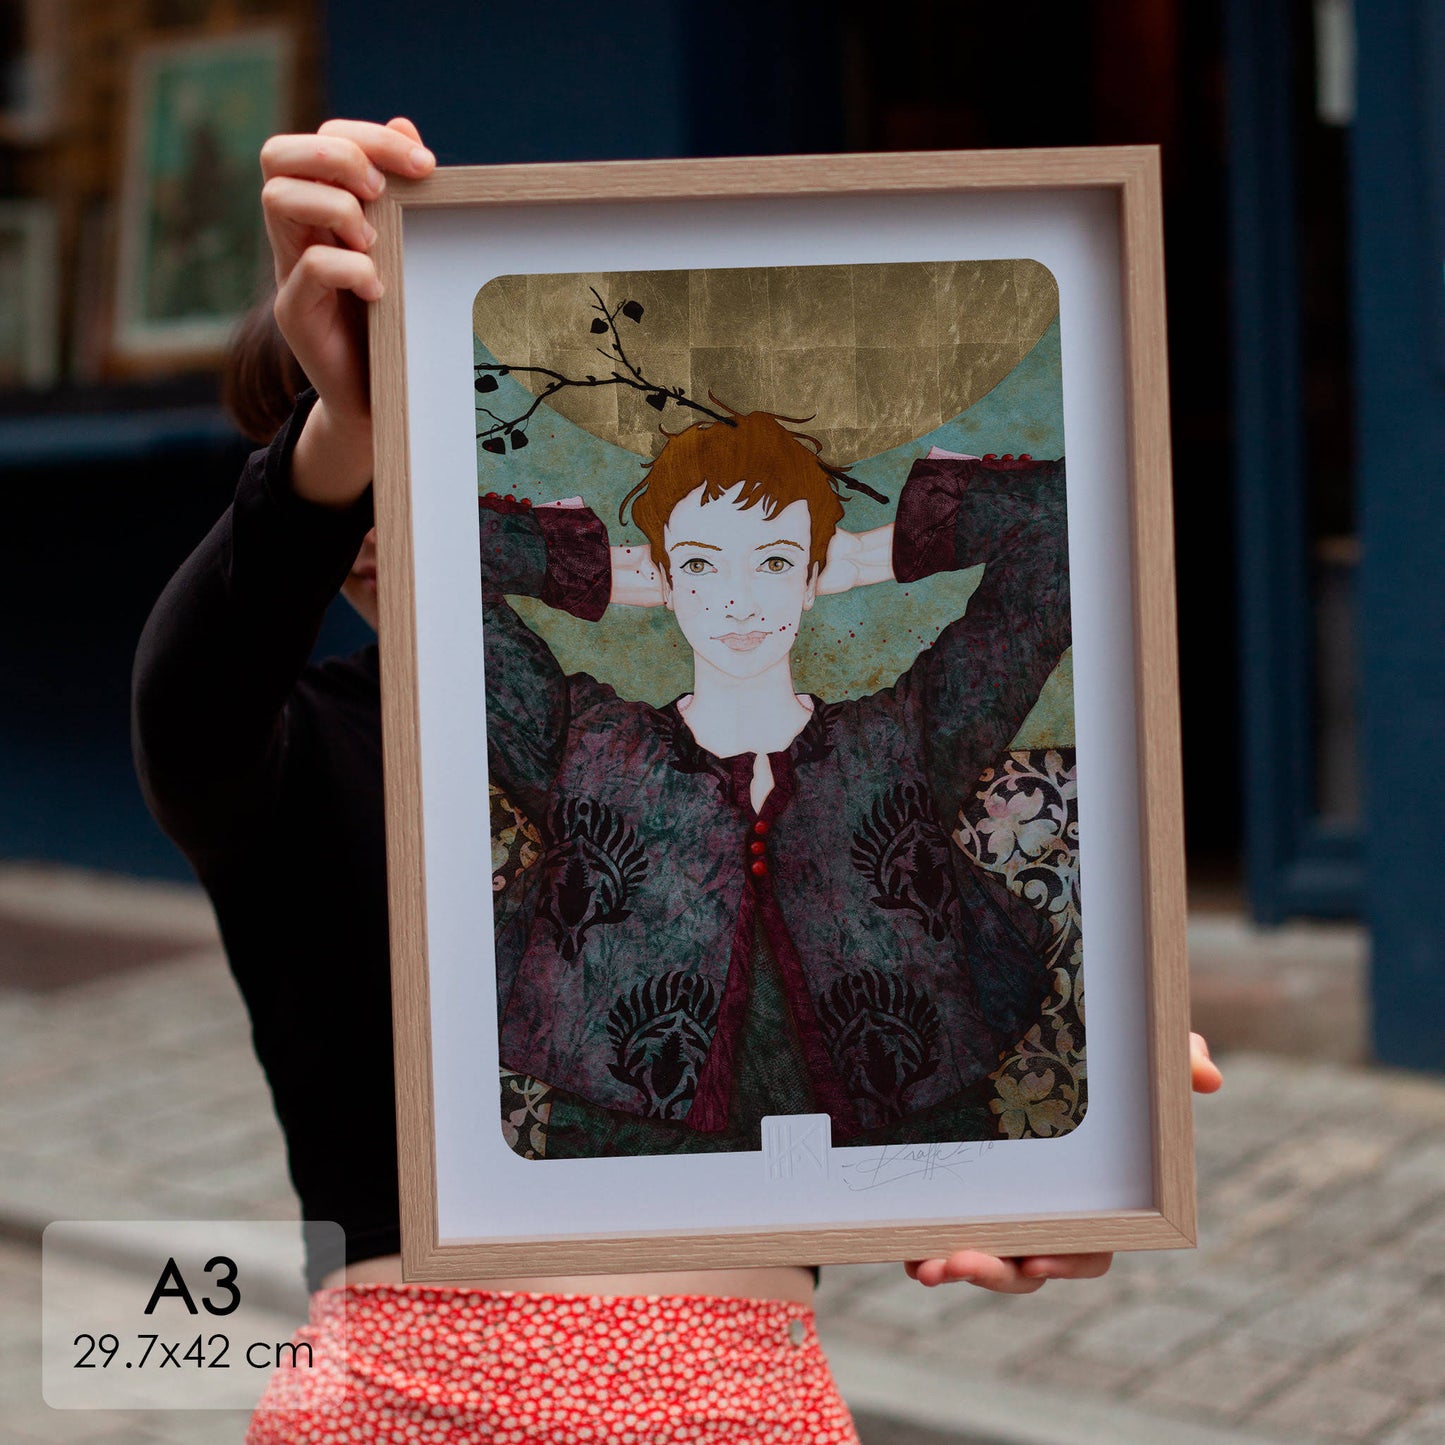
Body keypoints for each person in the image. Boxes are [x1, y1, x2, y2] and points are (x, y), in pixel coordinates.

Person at [132, 115, 1224, 1443]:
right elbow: (190, 695)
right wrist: (391, 463)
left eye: (419, 426)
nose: (373, 510)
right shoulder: (321, 744)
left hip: (736, 1399)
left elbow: (1054, 547)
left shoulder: (887, 739)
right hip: (406, 1405)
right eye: (332, 439)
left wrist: (1077, 1121)